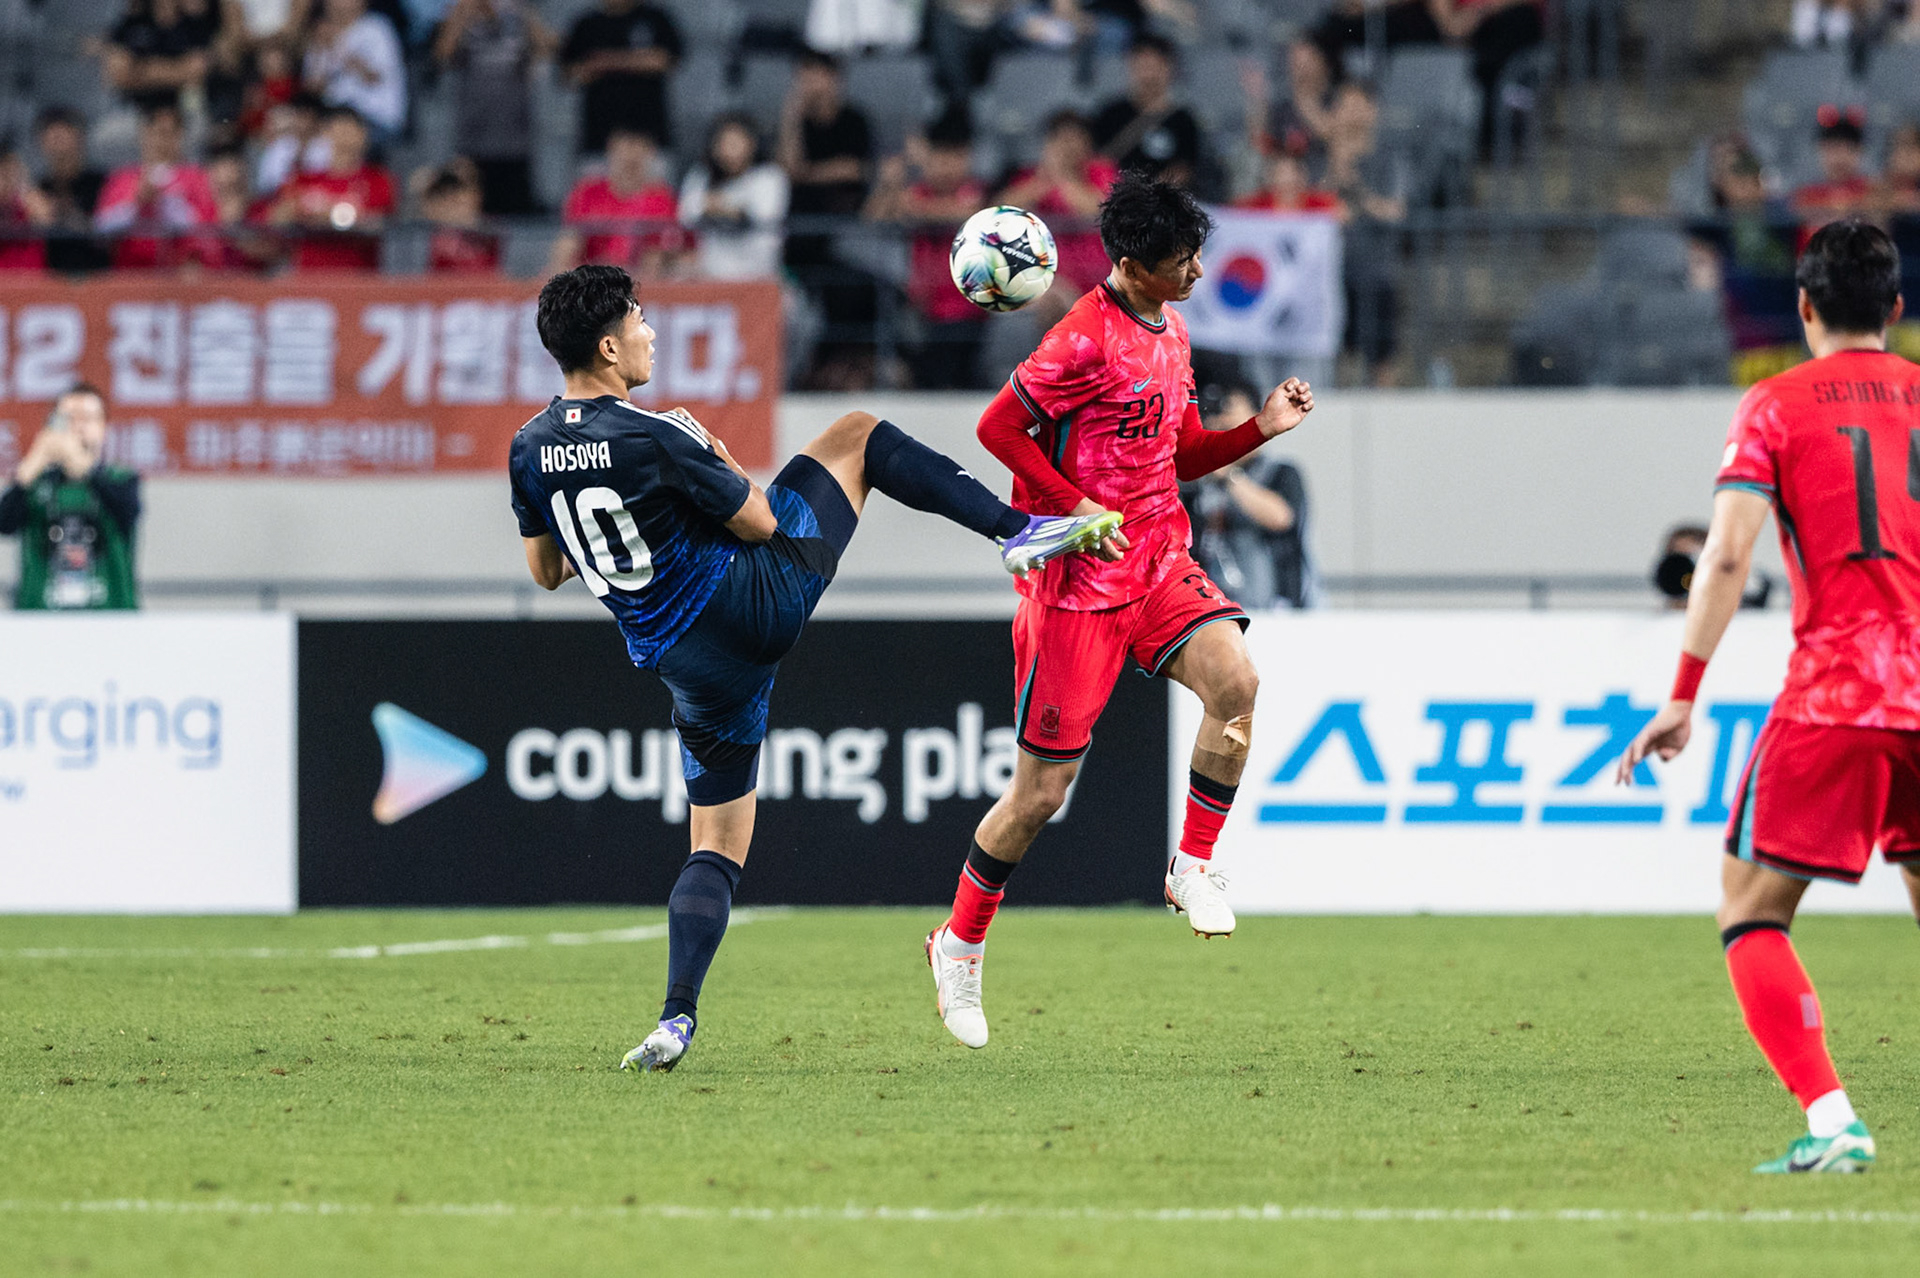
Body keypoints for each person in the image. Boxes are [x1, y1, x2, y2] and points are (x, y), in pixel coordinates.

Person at [509, 265, 1119, 1071]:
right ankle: (1017, 529)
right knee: (860, 434)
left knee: (717, 844)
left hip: (688, 667)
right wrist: (717, 457)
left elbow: (547, 572)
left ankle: (675, 1018)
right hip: (753, 605)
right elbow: (761, 521)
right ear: (610, 344)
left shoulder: (528, 447)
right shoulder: (659, 432)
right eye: (641, 319)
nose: (651, 332)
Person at [922, 173, 1315, 1049]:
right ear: (1135, 266)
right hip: (1076, 590)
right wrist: (1072, 511)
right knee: (1039, 797)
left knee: (1237, 683)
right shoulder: (1079, 340)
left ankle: (1194, 863)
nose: (1200, 273)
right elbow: (997, 430)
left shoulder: (1170, 330)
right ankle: (959, 943)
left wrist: (1259, 429)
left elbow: (1179, 455)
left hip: (1158, 562)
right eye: (1185, 262)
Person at [1615, 219, 1920, 1174]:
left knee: (1750, 911)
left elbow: (1730, 554)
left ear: (1804, 308)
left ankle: (1833, 1122)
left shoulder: (1775, 405)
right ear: (1897, 311)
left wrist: (1682, 693)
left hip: (1840, 692)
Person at [865, 110, 990, 389]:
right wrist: (890, 183)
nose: (945, 167)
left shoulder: (974, 190)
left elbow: (962, 213)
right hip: (923, 312)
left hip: (967, 313)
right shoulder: (919, 191)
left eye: (953, 158)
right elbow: (874, 217)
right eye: (939, 158)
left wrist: (908, 206)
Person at [0, 385, 141, 611]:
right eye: (69, 418)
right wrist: (34, 463)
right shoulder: (36, 484)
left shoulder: (120, 480)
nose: (78, 426)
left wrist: (79, 462)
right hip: (41, 623)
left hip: (110, 622)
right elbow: (5, 523)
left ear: (103, 426)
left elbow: (127, 510)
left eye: (87, 418)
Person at [1181, 383, 1313, 610]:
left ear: (1257, 412)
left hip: (1278, 607)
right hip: (1213, 605)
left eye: (1228, 409)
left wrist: (1228, 475)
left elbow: (1281, 518)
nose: (1222, 420)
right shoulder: (1197, 480)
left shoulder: (1280, 471)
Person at [433, 0, 555, 216]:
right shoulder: (462, 17)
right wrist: (461, 14)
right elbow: (442, 56)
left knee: (514, 215)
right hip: (474, 136)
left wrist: (524, 13)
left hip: (515, 138)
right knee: (474, 215)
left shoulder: (518, 15)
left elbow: (547, 49)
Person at [999, 110, 1117, 303]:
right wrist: (1044, 179)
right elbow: (1001, 209)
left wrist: (1062, 176)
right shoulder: (1032, 176)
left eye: (1075, 139)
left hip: (1096, 280)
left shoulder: (1101, 171)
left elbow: (1097, 209)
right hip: (1047, 280)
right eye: (1061, 139)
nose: (1068, 147)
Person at [263, 106, 395, 270]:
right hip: (308, 279)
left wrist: (315, 212)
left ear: (363, 134)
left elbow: (374, 222)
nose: (343, 134)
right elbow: (279, 218)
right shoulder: (302, 179)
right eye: (338, 127)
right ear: (325, 132)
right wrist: (342, 213)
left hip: (358, 278)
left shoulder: (378, 179)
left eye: (350, 127)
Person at [94, 101, 221, 270]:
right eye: (156, 132)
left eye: (169, 133)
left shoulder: (197, 178)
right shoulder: (123, 177)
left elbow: (205, 229)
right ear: (144, 133)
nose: (162, 141)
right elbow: (101, 227)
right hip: (131, 274)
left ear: (180, 136)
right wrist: (137, 204)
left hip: (180, 276)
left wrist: (163, 202)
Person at [549, 125, 684, 274]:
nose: (630, 157)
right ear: (610, 150)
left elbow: (656, 255)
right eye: (623, 150)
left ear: (651, 153)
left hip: (637, 280)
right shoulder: (587, 192)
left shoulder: (663, 198)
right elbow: (569, 242)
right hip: (591, 278)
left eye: (637, 151)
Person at [676, 113, 789, 282]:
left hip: (758, 276)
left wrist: (719, 205)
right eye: (724, 142)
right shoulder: (702, 175)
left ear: (752, 143)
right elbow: (685, 214)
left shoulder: (769, 177)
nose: (730, 149)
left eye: (736, 142)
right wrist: (708, 206)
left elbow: (764, 216)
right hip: (711, 276)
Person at [561, 0, 681, 155]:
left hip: (648, 138)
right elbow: (569, 73)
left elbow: (666, 60)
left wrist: (609, 62)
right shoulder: (587, 24)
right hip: (599, 139)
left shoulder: (654, 18)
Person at [1091, 34, 1203, 190]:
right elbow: (1098, 159)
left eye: (1155, 66)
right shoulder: (1111, 113)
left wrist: (1151, 194)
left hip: (1161, 200)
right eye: (1143, 66)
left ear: (1169, 69)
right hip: (1114, 196)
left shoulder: (1183, 120)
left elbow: (1184, 168)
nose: (1149, 75)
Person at [302, 0, 408, 147]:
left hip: (375, 118)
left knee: (329, 143)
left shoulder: (376, 27)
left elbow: (374, 77)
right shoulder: (323, 31)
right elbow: (313, 88)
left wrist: (337, 47)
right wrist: (322, 51)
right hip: (334, 115)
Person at [103, 0, 219, 114]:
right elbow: (118, 74)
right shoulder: (133, 23)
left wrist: (140, 70)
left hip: (182, 113)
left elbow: (199, 69)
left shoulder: (195, 25)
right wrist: (179, 70)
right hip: (135, 111)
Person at [34, 107, 110, 275]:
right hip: (48, 280)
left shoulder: (102, 183)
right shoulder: (38, 188)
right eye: (51, 133)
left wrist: (60, 213)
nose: (57, 139)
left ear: (80, 137)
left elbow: (106, 233)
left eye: (63, 132)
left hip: (98, 276)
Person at [1792, 106, 1873, 239]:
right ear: (1820, 150)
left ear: (1860, 151)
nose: (1840, 157)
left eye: (1848, 149)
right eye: (1833, 149)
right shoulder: (1807, 194)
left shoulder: (1872, 191)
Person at [420, 164, 502, 274]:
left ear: (477, 197)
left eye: (458, 200)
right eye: (445, 197)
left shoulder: (493, 234)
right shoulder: (429, 236)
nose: (452, 203)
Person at [0, 144, 52, 273]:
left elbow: (47, 223)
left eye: (10, 171)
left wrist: (23, 191)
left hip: (32, 281)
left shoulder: (29, 199)